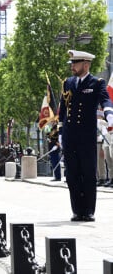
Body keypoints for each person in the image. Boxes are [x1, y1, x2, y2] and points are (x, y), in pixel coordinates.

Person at [58, 50, 113, 222]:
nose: (72, 66)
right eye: (72, 63)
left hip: (86, 136)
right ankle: (77, 210)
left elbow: (105, 100)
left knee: (88, 173)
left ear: (86, 65)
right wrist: (60, 132)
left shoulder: (97, 82)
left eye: (76, 63)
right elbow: (62, 109)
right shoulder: (68, 83)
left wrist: (109, 114)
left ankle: (88, 211)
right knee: (72, 174)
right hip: (70, 135)